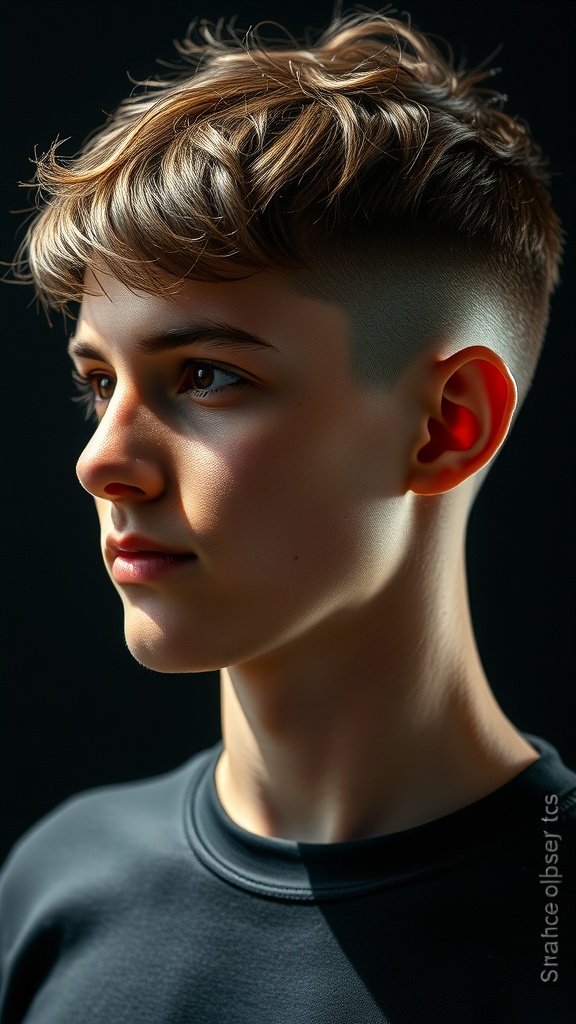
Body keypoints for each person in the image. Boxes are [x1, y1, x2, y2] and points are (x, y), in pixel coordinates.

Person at [1, 7, 574, 1022]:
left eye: (206, 375)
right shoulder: (50, 892)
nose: (102, 461)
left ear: (448, 426)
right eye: (100, 384)